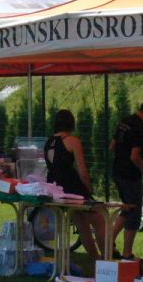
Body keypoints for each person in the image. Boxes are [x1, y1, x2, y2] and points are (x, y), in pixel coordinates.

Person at [44, 109, 106, 259]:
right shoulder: (72, 141)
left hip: (54, 186)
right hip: (71, 186)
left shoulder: (48, 142)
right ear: (71, 123)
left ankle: (95, 257)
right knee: (100, 219)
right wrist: (88, 187)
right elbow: (82, 170)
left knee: (81, 223)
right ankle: (107, 258)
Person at [110, 96, 143, 259]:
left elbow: (112, 146)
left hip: (117, 171)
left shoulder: (125, 121)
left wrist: (121, 155)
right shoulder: (139, 127)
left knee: (127, 209)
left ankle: (108, 241)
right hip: (130, 175)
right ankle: (127, 253)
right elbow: (135, 156)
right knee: (134, 212)